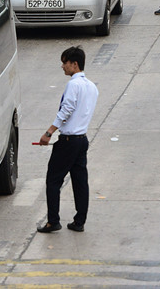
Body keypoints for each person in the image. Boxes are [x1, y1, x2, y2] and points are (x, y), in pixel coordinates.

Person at [36, 46, 99, 234]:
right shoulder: (92, 87)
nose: (63, 66)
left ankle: (53, 221)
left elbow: (66, 110)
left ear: (75, 64)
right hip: (82, 140)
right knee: (80, 181)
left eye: (65, 63)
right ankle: (79, 221)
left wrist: (48, 133)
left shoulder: (74, 84)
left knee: (53, 181)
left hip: (68, 141)